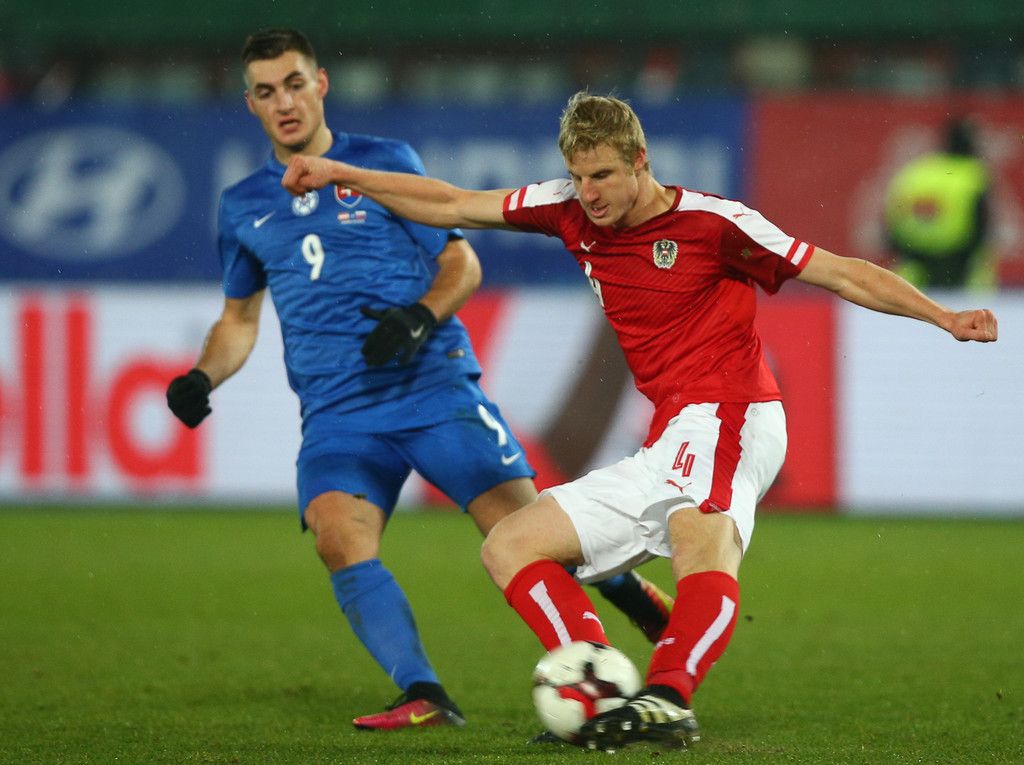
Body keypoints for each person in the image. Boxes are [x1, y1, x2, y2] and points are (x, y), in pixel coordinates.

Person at [280, 92, 997, 749]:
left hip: (733, 410)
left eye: (601, 176)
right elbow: (453, 203)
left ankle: (669, 697)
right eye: (577, 176)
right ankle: (595, 684)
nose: (587, 193)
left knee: (700, 543)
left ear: (640, 161)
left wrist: (943, 316)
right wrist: (342, 172)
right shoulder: (566, 206)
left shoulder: (716, 224)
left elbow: (840, 270)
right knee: (510, 545)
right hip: (672, 430)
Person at [165, 33, 674, 732]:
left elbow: (462, 264)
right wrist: (203, 374)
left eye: (294, 83)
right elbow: (238, 320)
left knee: (525, 533)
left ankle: (617, 603)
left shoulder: (383, 163)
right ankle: (425, 694)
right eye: (266, 91)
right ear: (250, 103)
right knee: (338, 537)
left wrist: (418, 317)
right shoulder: (243, 204)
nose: (284, 102)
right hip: (337, 413)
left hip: (433, 390)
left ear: (321, 83)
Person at [884, 117, 996, 290]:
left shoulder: (915, 171)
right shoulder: (973, 173)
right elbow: (982, 225)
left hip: (914, 269)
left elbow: (892, 221)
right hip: (959, 267)